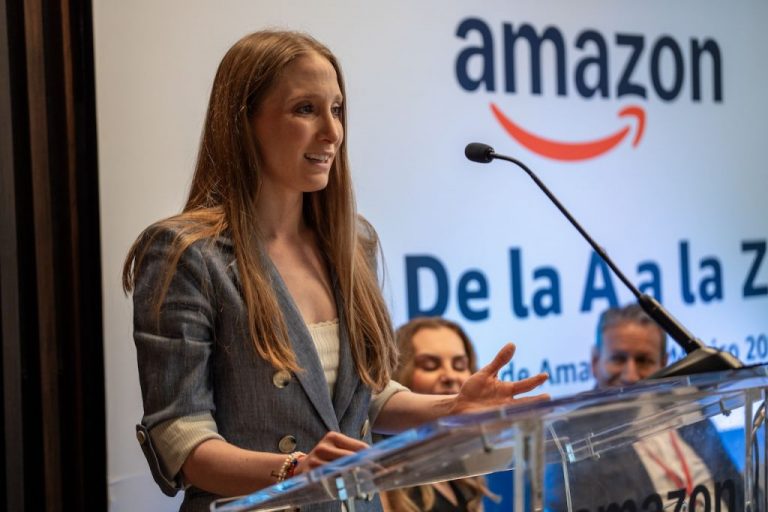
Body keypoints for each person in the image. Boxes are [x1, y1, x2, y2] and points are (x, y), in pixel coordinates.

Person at [122, 30, 548, 512]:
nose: (332, 133)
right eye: (305, 109)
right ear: (244, 122)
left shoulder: (353, 243)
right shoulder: (186, 253)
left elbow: (366, 394)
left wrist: (452, 409)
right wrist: (294, 472)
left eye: (338, 110)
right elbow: (181, 436)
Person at [545, 304, 743, 511]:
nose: (630, 375)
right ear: (595, 362)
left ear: (663, 363)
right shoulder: (567, 437)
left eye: (643, 361)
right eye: (618, 359)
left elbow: (740, 489)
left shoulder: (687, 408)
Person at [380, 317, 497, 512]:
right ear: (398, 376)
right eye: (430, 365)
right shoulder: (380, 476)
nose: (450, 376)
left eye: (459, 365)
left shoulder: (465, 475)